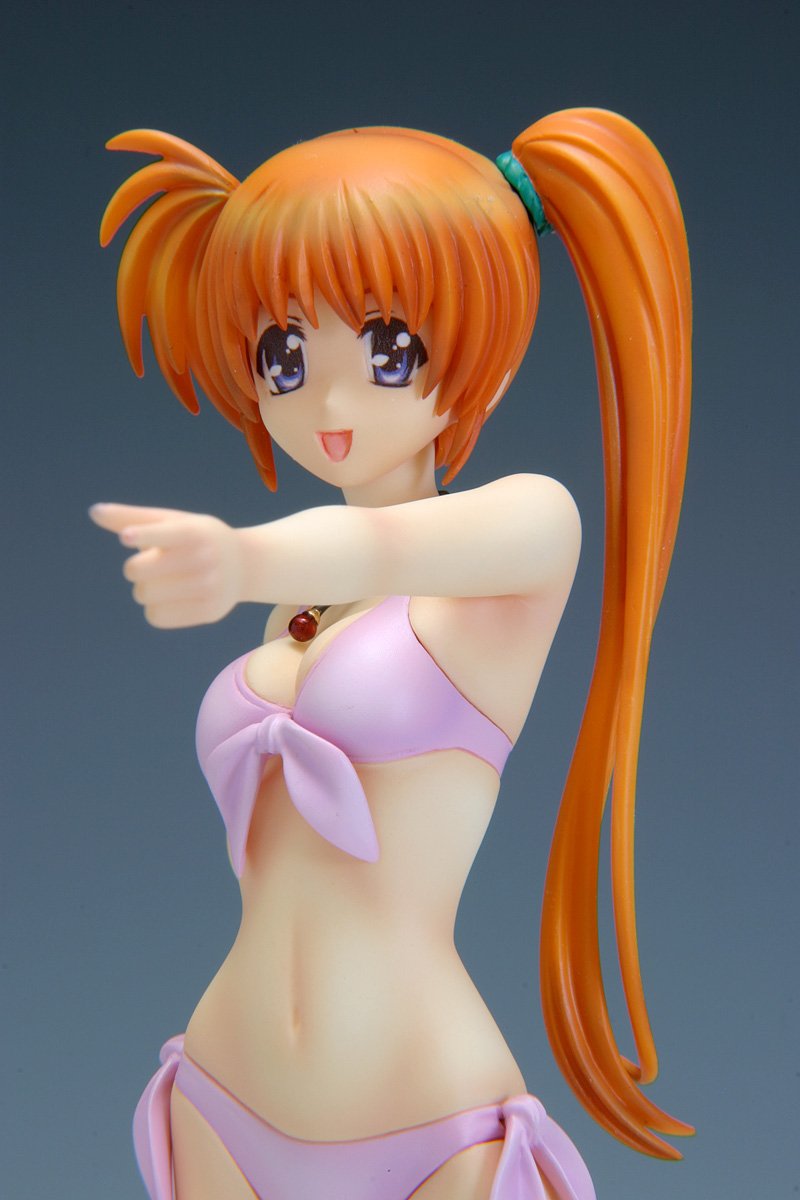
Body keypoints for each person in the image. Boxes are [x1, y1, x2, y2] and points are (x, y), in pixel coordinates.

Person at [92, 109, 692, 1200]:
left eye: (387, 352)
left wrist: (241, 557)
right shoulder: (299, 606)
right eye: (283, 355)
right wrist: (261, 571)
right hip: (222, 1097)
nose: (329, 403)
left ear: (482, 362)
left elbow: (383, 540)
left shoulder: (527, 536)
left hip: (428, 1128)